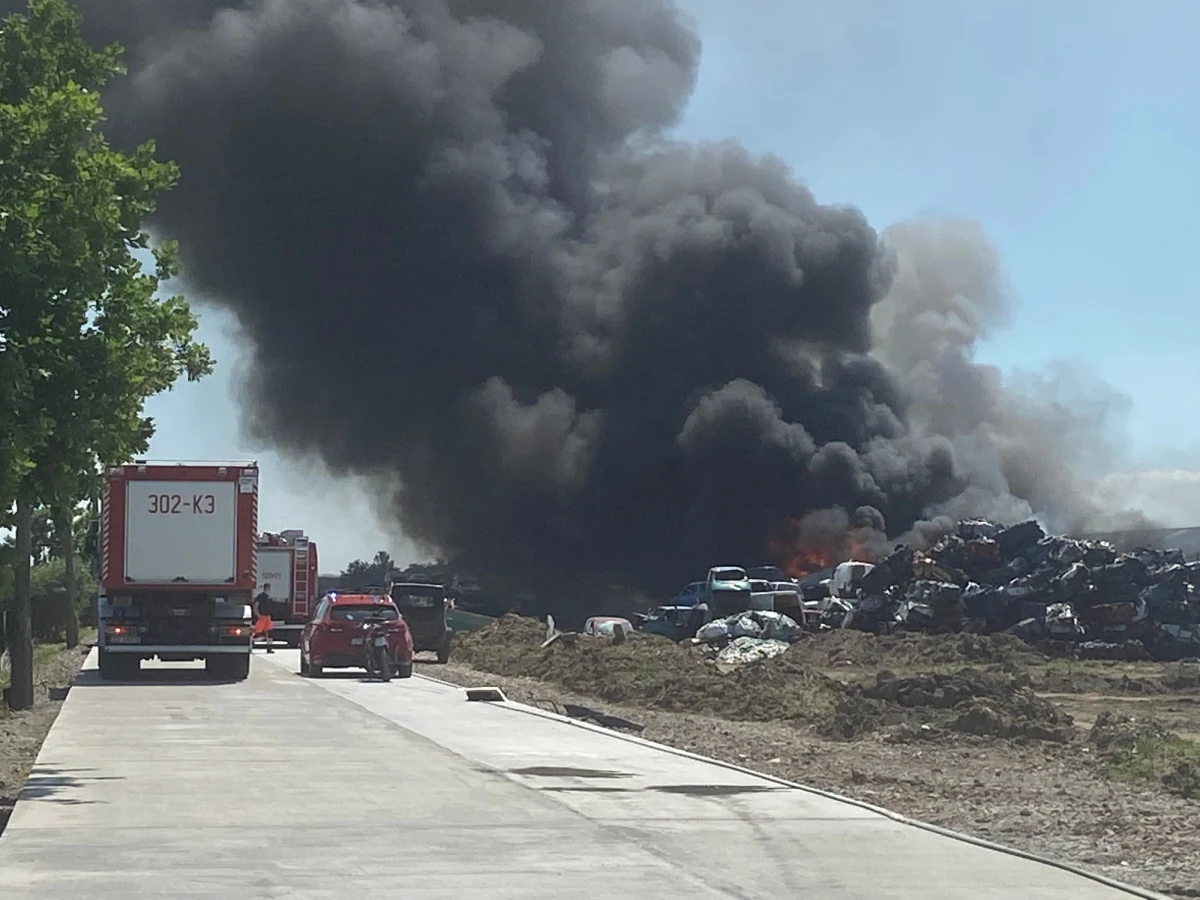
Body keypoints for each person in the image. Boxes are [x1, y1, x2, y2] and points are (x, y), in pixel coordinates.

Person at [252, 583, 274, 654]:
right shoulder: (261, 596)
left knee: (269, 634)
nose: (270, 590)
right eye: (269, 589)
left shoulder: (268, 597)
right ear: (266, 589)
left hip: (267, 617)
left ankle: (269, 649)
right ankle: (250, 645)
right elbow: (255, 606)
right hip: (262, 617)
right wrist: (258, 615)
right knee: (257, 633)